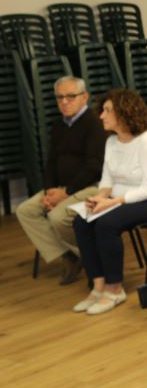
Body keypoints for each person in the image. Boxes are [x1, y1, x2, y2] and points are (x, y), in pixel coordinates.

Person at [71, 89, 147, 315]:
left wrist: (112, 203)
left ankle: (114, 289)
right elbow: (107, 180)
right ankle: (98, 285)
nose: (101, 115)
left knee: (106, 224)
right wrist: (99, 198)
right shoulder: (112, 142)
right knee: (81, 221)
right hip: (125, 199)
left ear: (124, 113)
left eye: (107, 110)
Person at [16, 76, 106, 285]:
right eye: (60, 97)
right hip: (61, 188)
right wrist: (50, 191)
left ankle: (90, 255)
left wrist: (65, 193)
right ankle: (69, 255)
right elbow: (51, 162)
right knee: (25, 210)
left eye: (70, 96)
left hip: (91, 187)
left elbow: (95, 167)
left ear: (84, 97)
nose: (64, 102)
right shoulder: (59, 125)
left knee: (57, 217)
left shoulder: (95, 124)